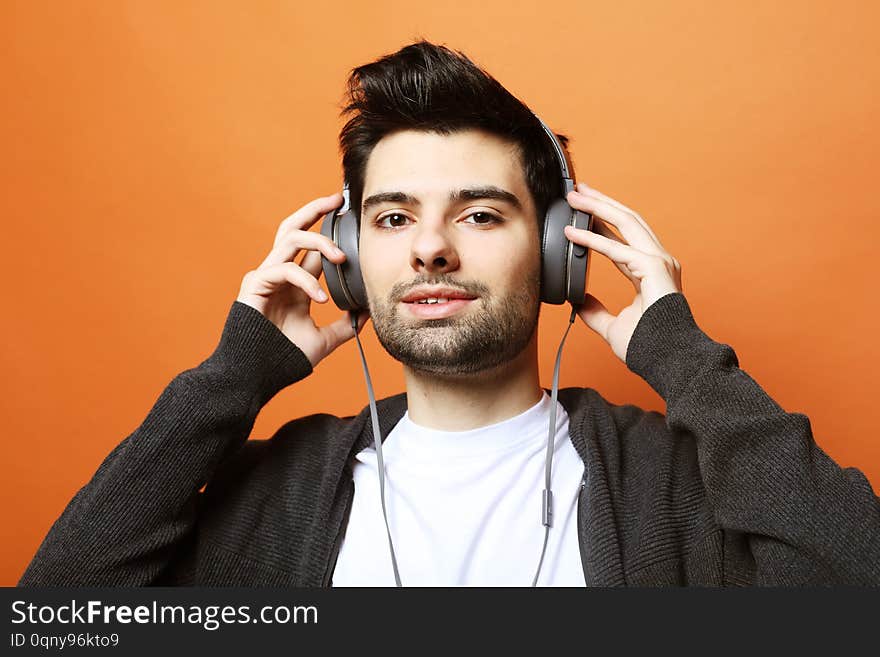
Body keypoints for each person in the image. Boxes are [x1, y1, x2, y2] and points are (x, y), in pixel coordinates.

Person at [19, 40, 880, 587]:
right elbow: (57, 616)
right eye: (393, 217)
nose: (430, 248)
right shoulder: (270, 492)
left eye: (478, 213)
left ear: (559, 251)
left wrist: (683, 356)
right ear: (350, 256)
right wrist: (233, 374)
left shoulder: (673, 484)